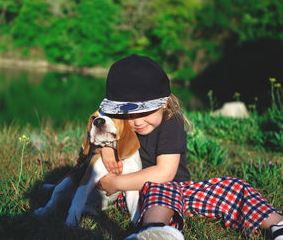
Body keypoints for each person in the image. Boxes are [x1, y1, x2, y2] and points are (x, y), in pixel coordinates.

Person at [97, 54, 283, 240]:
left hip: (179, 190)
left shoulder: (171, 122)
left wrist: (116, 183)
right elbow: (97, 121)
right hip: (134, 194)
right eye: (128, 113)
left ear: (165, 103)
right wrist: (105, 146)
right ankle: (153, 231)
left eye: (145, 111)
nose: (136, 121)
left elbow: (164, 173)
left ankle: (277, 226)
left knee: (235, 187)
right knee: (159, 188)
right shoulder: (117, 121)